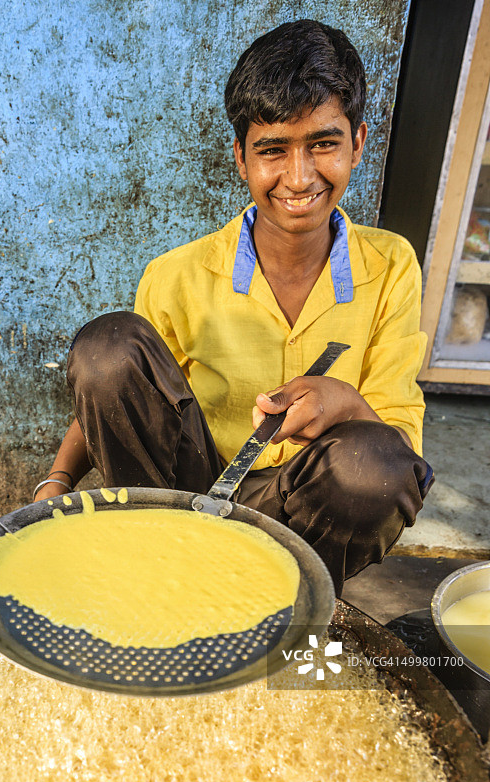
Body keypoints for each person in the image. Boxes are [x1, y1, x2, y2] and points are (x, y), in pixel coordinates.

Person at [33, 19, 433, 595]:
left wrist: (345, 402)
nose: (299, 177)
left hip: (301, 507)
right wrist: (58, 479)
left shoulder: (392, 265)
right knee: (108, 345)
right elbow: (115, 389)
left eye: (324, 143)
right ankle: (154, 556)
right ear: (242, 157)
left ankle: (280, 593)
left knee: (375, 469)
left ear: (359, 143)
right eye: (273, 150)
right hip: (186, 489)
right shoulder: (177, 274)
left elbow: (401, 452)